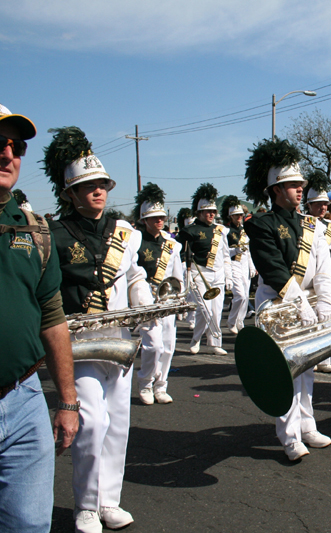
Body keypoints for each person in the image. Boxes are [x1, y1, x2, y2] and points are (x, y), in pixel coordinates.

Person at [44, 126, 154, 532]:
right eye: (87, 186)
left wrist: (144, 298)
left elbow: (133, 274)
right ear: (69, 193)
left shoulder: (125, 231)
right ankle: (86, 505)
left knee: (119, 422)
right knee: (92, 421)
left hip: (120, 341)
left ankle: (110, 499)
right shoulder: (54, 235)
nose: (98, 192)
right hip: (80, 344)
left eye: (102, 185)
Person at [0, 100, 78, 532]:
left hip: (25, 403)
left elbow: (52, 317)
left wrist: (68, 402)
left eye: (17, 147)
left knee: (30, 527)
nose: (9, 155)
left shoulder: (34, 230)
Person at [243, 138, 331, 461]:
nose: (300, 189)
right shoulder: (261, 225)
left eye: (300, 184)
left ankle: (308, 424)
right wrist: (300, 303)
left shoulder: (312, 226)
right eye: (293, 185)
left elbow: (323, 268)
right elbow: (275, 270)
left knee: (307, 367)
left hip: (307, 303)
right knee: (287, 370)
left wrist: (325, 302)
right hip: (278, 306)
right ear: (276, 190)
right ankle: (289, 435)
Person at [134, 183, 184, 405]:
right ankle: (145, 383)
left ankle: (161, 385)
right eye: (154, 218)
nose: (159, 221)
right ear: (144, 219)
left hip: (167, 299)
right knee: (153, 345)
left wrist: (180, 298)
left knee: (168, 345)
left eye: (162, 217)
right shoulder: (135, 241)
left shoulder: (171, 244)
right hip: (146, 299)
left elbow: (177, 273)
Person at [177, 183, 232, 355]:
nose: (211, 215)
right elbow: (181, 256)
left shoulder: (220, 230)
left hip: (218, 274)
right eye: (208, 211)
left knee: (215, 311)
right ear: (199, 212)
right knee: (205, 310)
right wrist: (188, 277)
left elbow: (225, 255)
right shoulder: (189, 231)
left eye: (214, 212)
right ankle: (197, 339)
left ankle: (213, 342)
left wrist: (228, 276)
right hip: (199, 274)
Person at [304, 170, 331, 372]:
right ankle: (310, 359)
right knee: (310, 318)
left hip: (327, 274)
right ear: (309, 205)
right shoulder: (302, 223)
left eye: (325, 204)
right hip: (308, 273)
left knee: (327, 315)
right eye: (318, 204)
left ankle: (325, 360)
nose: (322, 207)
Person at [222, 195, 256, 335]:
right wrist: (234, 250)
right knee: (240, 296)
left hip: (244, 263)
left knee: (246, 296)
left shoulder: (244, 230)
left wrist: (252, 266)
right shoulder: (226, 231)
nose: (239, 217)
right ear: (230, 216)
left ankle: (239, 322)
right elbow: (223, 252)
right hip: (233, 262)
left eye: (241, 214)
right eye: (236, 215)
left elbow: (248, 250)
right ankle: (231, 321)